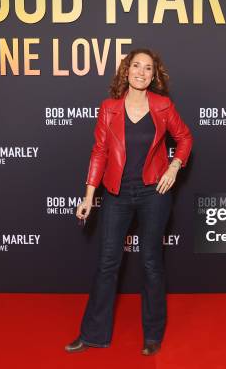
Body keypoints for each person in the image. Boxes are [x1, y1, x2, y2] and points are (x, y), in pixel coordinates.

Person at [64, 48, 193, 356]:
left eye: (148, 68)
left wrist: (174, 166)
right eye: (136, 66)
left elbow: (185, 138)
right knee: (107, 263)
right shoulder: (109, 108)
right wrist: (88, 196)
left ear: (154, 75)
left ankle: (153, 334)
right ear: (126, 71)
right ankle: (93, 333)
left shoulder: (163, 106)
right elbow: (100, 152)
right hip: (117, 195)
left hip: (154, 194)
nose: (141, 72)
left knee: (150, 263)